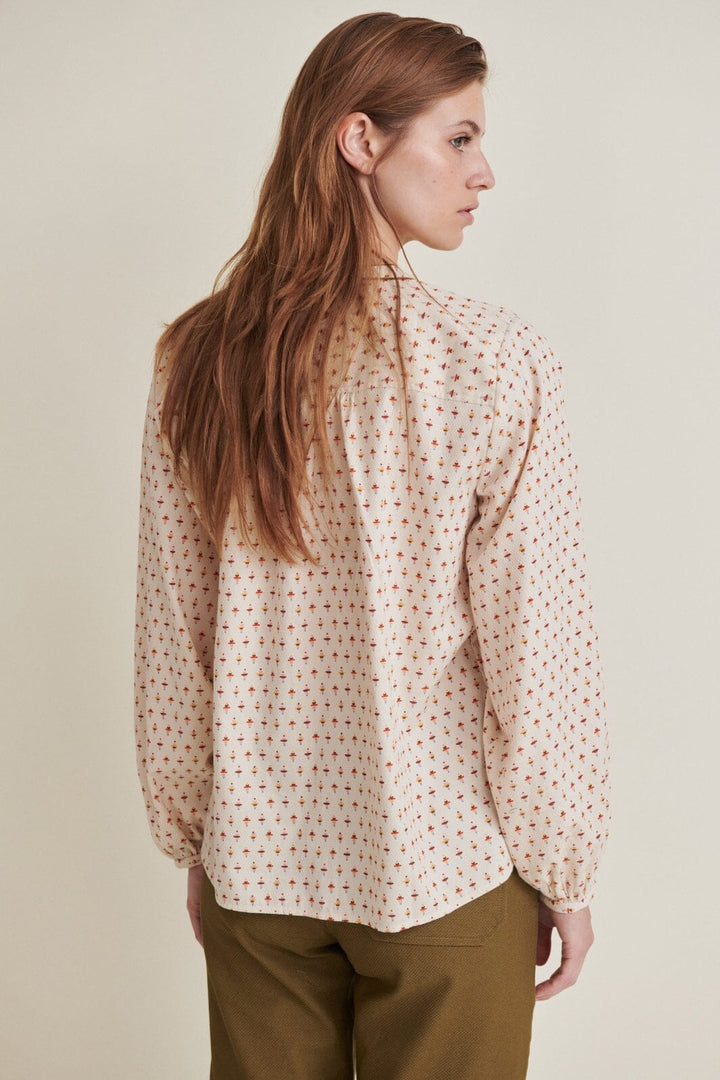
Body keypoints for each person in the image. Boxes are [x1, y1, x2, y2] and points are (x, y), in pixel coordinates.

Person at [133, 12, 611, 1079]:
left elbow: (176, 636)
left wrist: (199, 835)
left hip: (259, 871)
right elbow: (538, 657)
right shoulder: (494, 362)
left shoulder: (196, 358)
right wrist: (566, 870)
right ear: (360, 140)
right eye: (459, 137)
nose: (484, 172)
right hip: (441, 871)